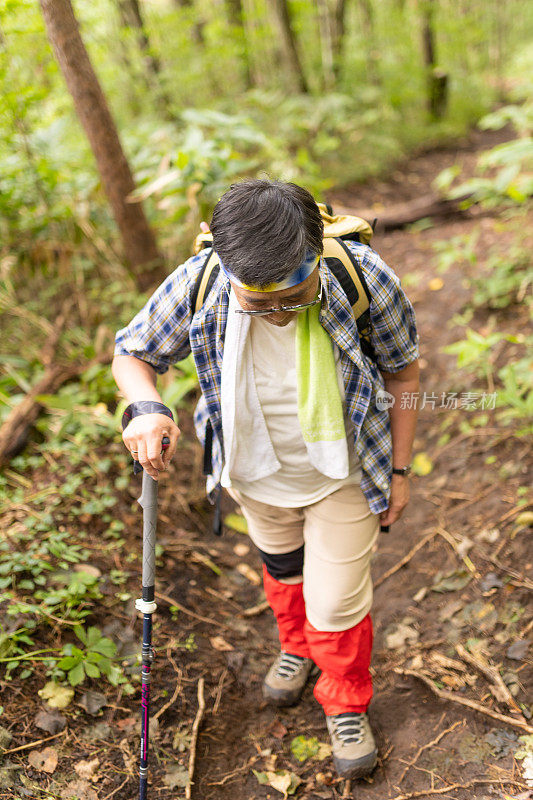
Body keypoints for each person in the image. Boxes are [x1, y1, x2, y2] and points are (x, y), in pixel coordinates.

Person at [112, 178, 420, 780]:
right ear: (229, 270)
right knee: (282, 566)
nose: (278, 313)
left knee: (334, 601)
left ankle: (344, 697)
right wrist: (149, 407)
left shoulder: (362, 277)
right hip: (251, 468)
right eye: (260, 302)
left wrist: (401, 472)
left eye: (294, 296)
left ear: (316, 252)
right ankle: (296, 647)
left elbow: (405, 377)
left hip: (345, 469)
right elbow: (134, 352)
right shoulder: (202, 281)